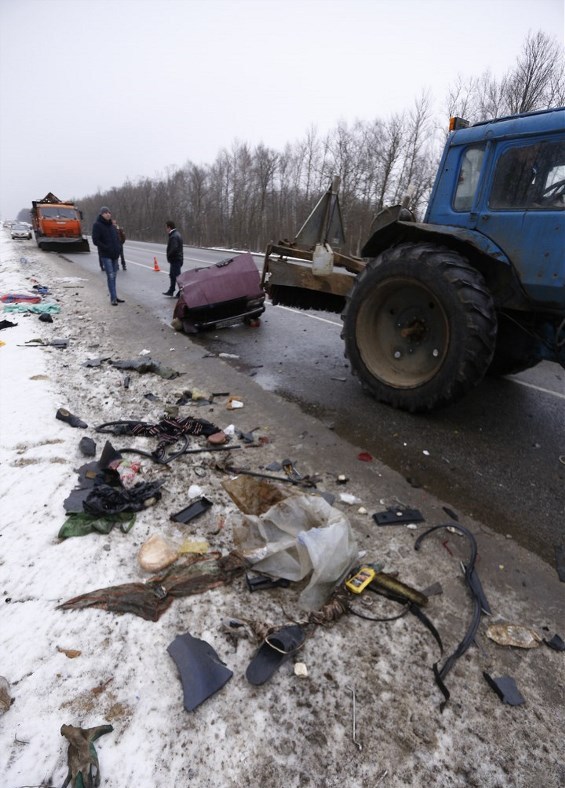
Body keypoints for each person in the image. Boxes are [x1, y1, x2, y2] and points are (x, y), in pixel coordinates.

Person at [92, 207, 125, 306]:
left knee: (114, 276)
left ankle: (115, 296)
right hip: (106, 255)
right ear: (101, 214)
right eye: (105, 213)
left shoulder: (112, 226)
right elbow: (95, 241)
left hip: (115, 255)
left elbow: (117, 238)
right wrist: (106, 247)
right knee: (110, 276)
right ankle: (113, 298)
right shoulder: (97, 225)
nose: (108, 214)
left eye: (109, 212)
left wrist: (119, 248)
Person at [163, 220, 183, 296]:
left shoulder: (174, 236)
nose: (166, 229)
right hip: (176, 259)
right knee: (172, 275)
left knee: (178, 277)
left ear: (169, 227)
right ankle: (171, 290)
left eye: (166, 227)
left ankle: (182, 292)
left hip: (176, 259)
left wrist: (169, 255)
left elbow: (174, 248)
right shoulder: (176, 234)